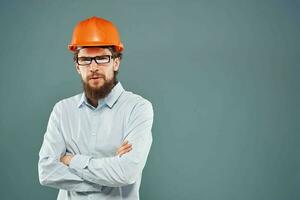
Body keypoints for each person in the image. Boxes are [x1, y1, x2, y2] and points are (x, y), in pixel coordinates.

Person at [38, 16, 154, 200]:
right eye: (85, 59)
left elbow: (126, 173)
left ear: (116, 62)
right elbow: (46, 172)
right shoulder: (62, 110)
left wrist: (70, 160)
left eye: (101, 58)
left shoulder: (138, 108)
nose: (93, 67)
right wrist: (108, 177)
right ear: (77, 66)